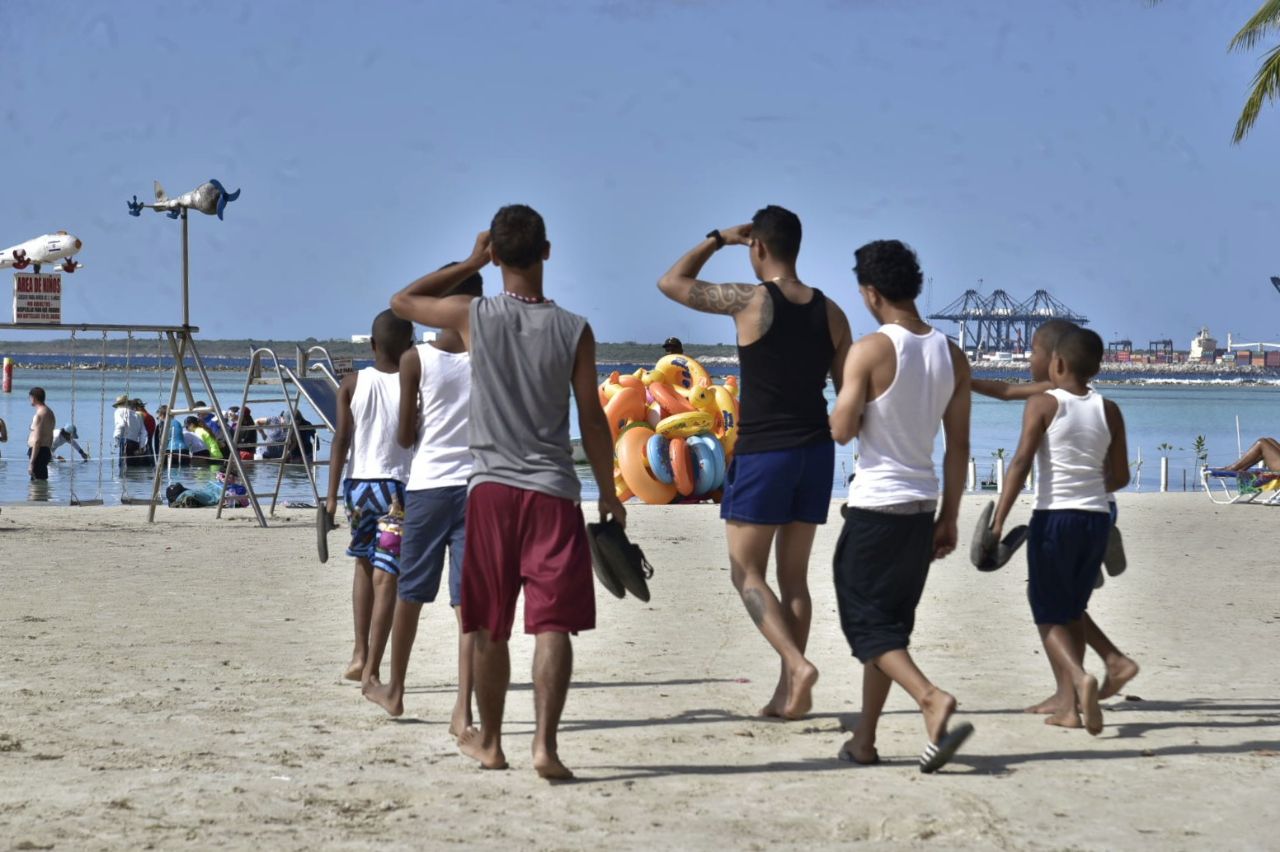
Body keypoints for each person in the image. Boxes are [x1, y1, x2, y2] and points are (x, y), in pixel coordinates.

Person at [390, 204, 624, 780]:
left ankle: (492, 743)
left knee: (489, 625)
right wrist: (609, 489)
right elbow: (592, 418)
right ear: (547, 251)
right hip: (554, 491)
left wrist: (470, 262)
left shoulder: (474, 315)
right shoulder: (575, 329)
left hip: (491, 490)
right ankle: (545, 746)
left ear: (496, 256)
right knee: (554, 625)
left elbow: (402, 301)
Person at [657, 205, 851, 720]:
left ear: (758, 247)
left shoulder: (750, 301)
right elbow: (849, 391)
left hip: (766, 451)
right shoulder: (833, 312)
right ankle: (789, 694)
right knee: (794, 580)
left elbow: (671, 282)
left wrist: (718, 238)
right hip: (816, 450)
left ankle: (797, 668)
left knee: (745, 572)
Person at [828, 240, 973, 773]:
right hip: (921, 505)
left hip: (876, 508)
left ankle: (930, 698)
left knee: (867, 627)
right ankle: (864, 740)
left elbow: (843, 431)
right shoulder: (952, 354)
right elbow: (958, 446)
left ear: (870, 292)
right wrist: (950, 516)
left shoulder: (869, 350)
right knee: (890, 630)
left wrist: (841, 402)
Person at [972, 320, 1140, 706]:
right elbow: (1121, 476)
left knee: (1047, 605)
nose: (1030, 359)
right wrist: (1091, 492)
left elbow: (1019, 464)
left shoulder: (1044, 401)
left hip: (1055, 518)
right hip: (1098, 515)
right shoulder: (1109, 409)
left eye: (1034, 352)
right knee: (1071, 606)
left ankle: (1081, 680)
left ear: (1057, 362)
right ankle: (1071, 697)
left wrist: (998, 522)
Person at [366, 265, 482, 735]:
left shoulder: (415, 358)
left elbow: (405, 437)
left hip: (429, 485)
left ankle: (395, 689)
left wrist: (417, 416)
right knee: (467, 604)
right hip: (477, 486)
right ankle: (463, 710)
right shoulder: (488, 356)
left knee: (410, 594)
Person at [325, 310, 416, 688]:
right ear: (410, 346)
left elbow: (340, 441)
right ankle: (374, 661)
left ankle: (359, 652)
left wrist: (331, 498)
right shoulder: (415, 384)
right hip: (398, 490)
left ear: (373, 345)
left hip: (359, 488)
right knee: (388, 573)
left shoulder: (351, 383)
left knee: (363, 565)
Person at [27, 388, 55, 481]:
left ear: (33, 398)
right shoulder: (50, 413)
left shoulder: (39, 415)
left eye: (30, 398)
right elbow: (51, 436)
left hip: (38, 453)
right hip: (45, 451)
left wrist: (32, 462)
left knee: (35, 485)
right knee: (41, 482)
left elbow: (37, 440)